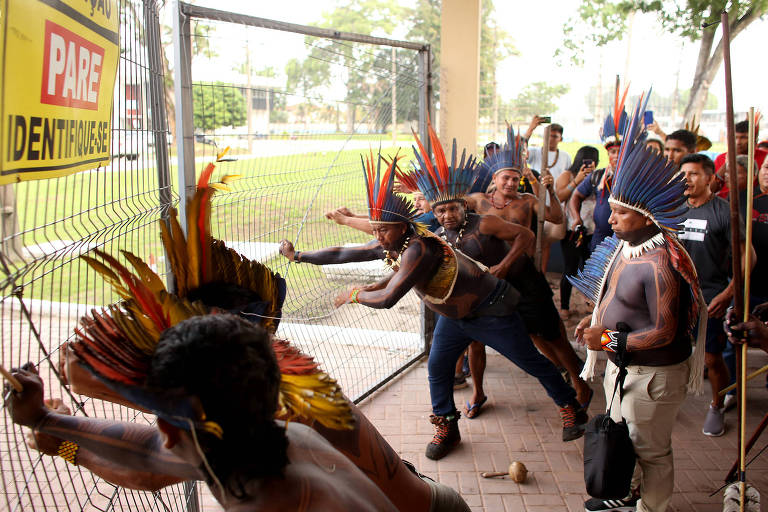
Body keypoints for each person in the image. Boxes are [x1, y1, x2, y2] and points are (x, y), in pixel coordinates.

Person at [280, 141, 588, 461]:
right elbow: (348, 251)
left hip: (490, 312)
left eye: (383, 230)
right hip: (453, 317)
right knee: (439, 369)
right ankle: (447, 428)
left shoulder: (419, 247)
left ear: (400, 227)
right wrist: (299, 255)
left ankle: (570, 407)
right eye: (377, 230)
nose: (379, 237)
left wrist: (354, 293)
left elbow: (388, 299)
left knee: (532, 361)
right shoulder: (405, 235)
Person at [7, 316, 402, 512]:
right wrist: (46, 421)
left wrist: (55, 435)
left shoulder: (268, 503)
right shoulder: (281, 438)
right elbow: (146, 453)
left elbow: (149, 462)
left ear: (168, 426)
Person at [571, 96, 707, 512]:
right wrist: (595, 330)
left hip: (652, 374)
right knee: (626, 438)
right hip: (624, 364)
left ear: (646, 217)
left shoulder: (662, 262)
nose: (610, 221)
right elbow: (616, 302)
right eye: (611, 212)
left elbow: (665, 332)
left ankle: (653, 507)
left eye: (619, 215)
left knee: (651, 450)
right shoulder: (630, 248)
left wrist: (605, 337)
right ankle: (626, 495)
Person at [678, 153, 755, 437]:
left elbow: (749, 257)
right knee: (671, 351)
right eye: (683, 174)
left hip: (711, 297)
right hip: (676, 297)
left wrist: (729, 293)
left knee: (711, 359)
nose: (687, 179)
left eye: (694, 174)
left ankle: (716, 405)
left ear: (711, 178)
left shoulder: (724, 211)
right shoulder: (673, 209)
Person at [568, 90, 628, 252]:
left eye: (620, 151)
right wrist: (577, 218)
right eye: (613, 152)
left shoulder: (636, 178)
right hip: (599, 238)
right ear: (608, 153)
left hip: (627, 241)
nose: (616, 156)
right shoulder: (598, 176)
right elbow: (576, 196)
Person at [555, 145, 599, 318]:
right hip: (572, 230)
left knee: (592, 270)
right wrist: (577, 180)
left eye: (592, 160)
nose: (588, 164)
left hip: (594, 230)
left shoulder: (599, 176)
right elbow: (560, 197)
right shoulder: (568, 175)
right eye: (585, 160)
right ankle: (564, 306)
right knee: (570, 269)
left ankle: (590, 304)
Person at [712, 118, 768, 198]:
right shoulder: (721, 158)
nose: (738, 142)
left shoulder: (765, 157)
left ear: (754, 138)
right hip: (725, 203)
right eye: (735, 137)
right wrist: (727, 164)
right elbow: (711, 189)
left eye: (743, 137)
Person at [524, 117, 573, 181]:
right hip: (535, 190)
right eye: (548, 135)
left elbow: (569, 177)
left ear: (561, 139)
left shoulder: (566, 156)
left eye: (554, 136)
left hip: (555, 191)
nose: (550, 139)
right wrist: (531, 129)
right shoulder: (534, 152)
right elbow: (519, 150)